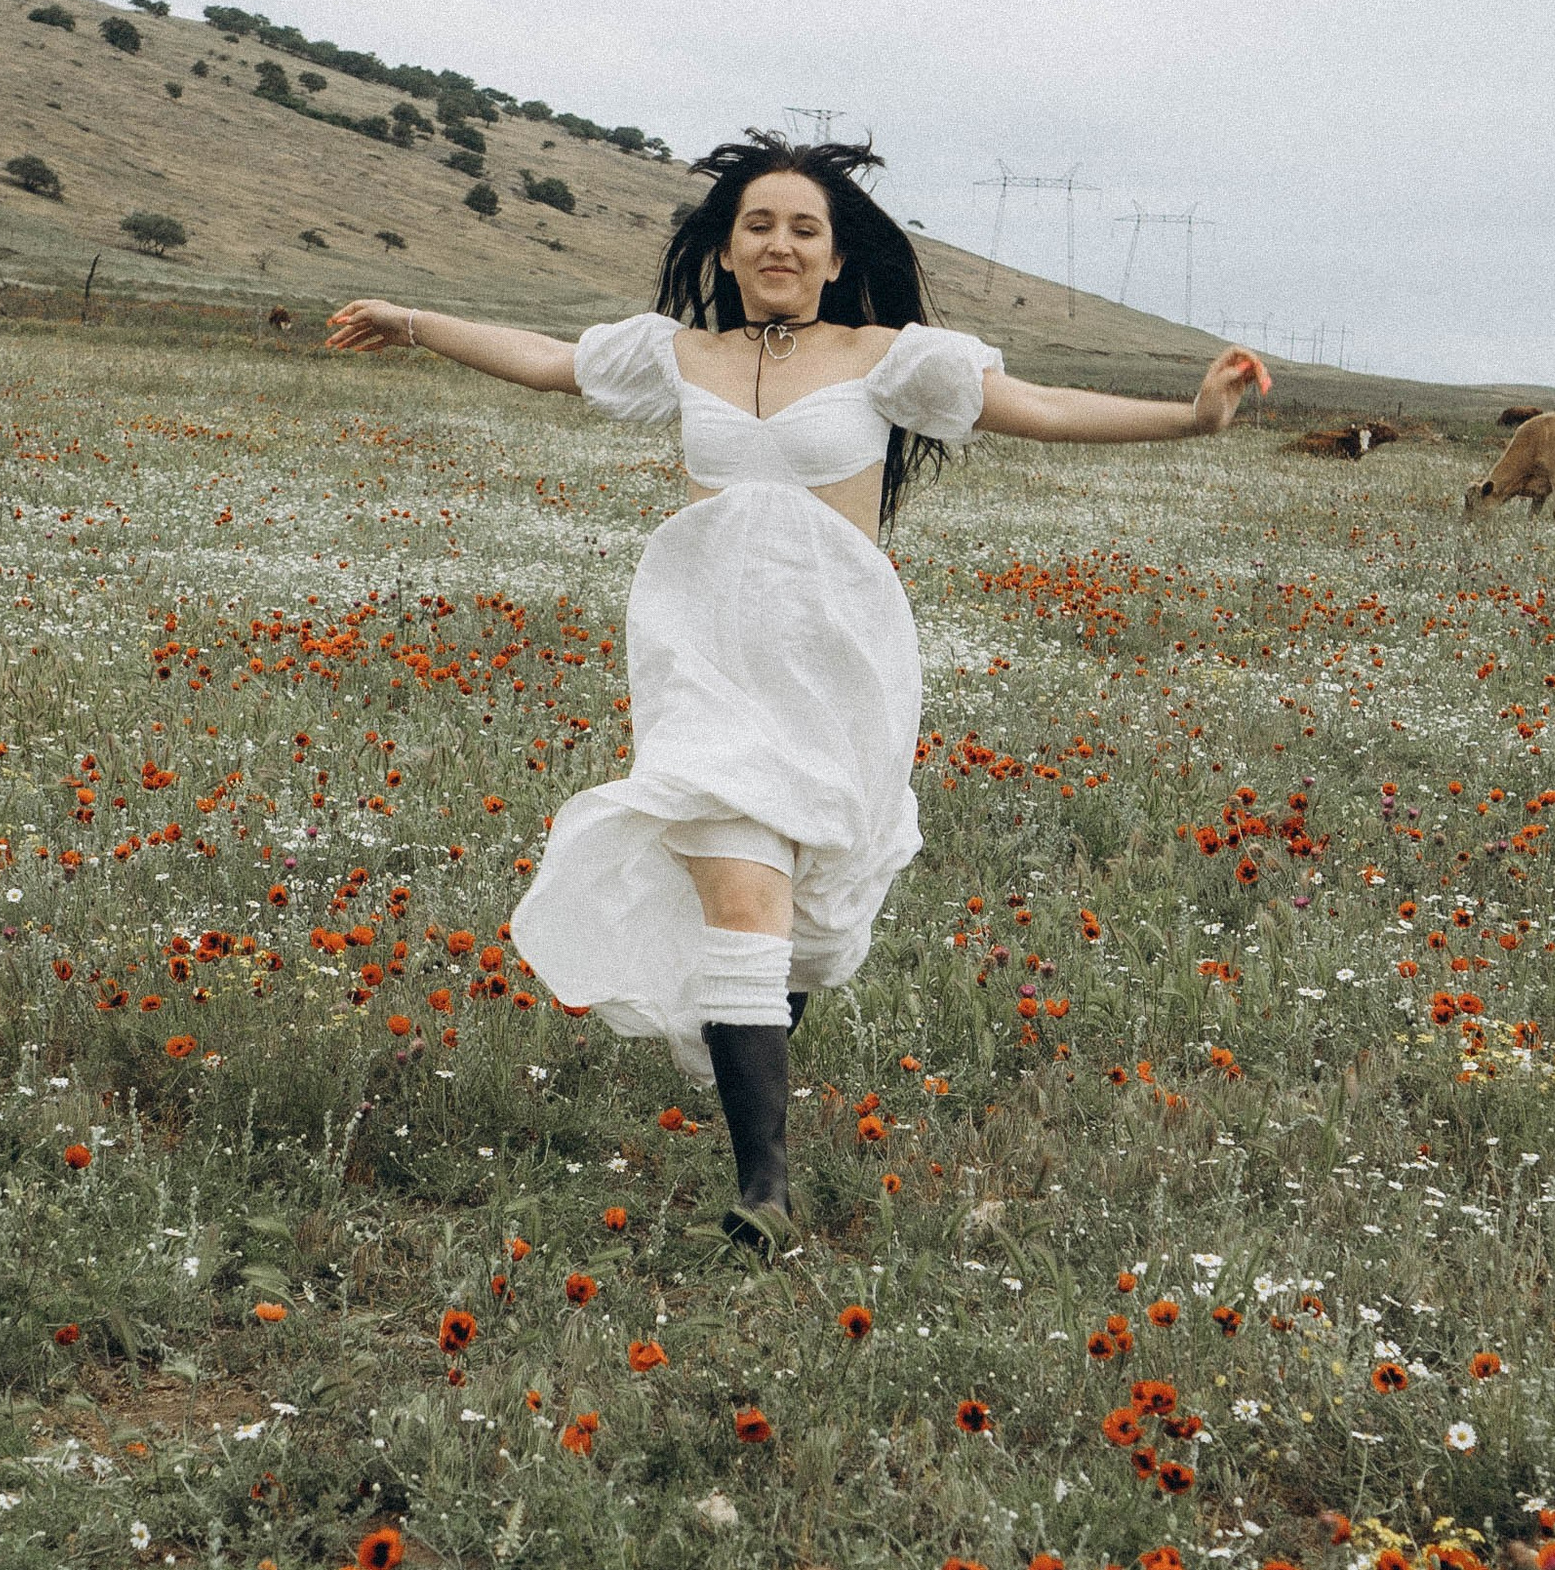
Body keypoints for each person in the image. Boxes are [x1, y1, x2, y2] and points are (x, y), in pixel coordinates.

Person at [325, 134, 1266, 1253]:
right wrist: (415, 323)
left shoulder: (891, 358)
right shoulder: (678, 356)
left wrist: (1191, 415)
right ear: (725, 251)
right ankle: (762, 1188)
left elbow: (1046, 408)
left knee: (811, 923)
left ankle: (745, 1030)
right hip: (702, 656)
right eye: (759, 225)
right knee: (743, 896)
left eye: (803, 228)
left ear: (832, 255)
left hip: (838, 663)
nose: (780, 242)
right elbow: (542, 358)